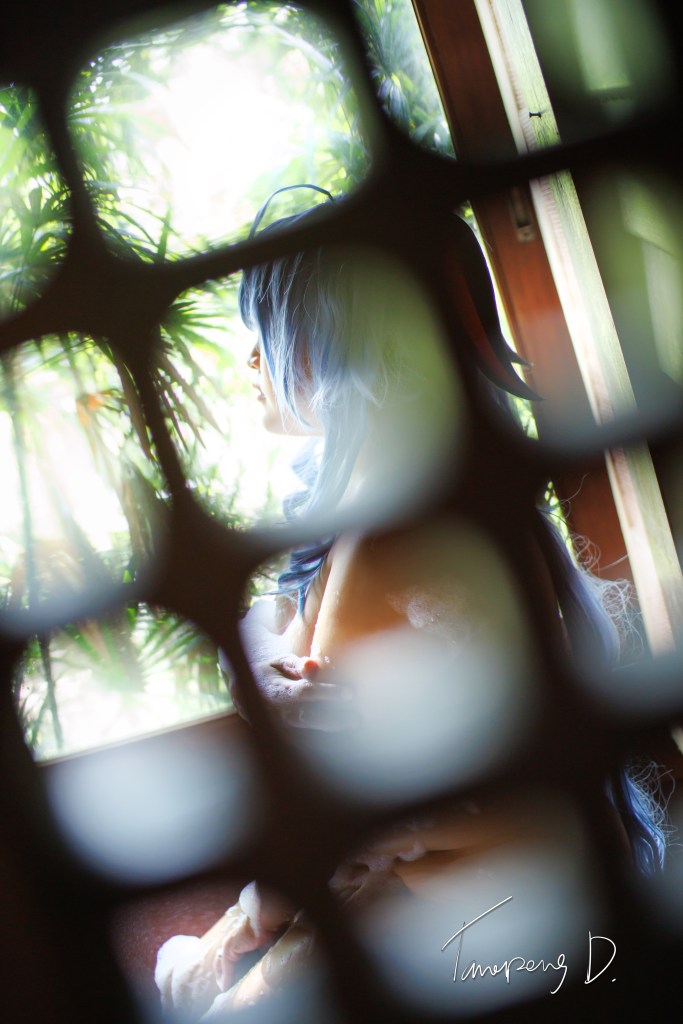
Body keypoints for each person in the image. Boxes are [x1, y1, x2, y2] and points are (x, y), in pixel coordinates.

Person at [155, 187, 667, 1018]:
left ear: (334, 340)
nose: (250, 362)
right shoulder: (444, 482)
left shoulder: (389, 530)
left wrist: (239, 935)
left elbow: (347, 837)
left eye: (266, 331)